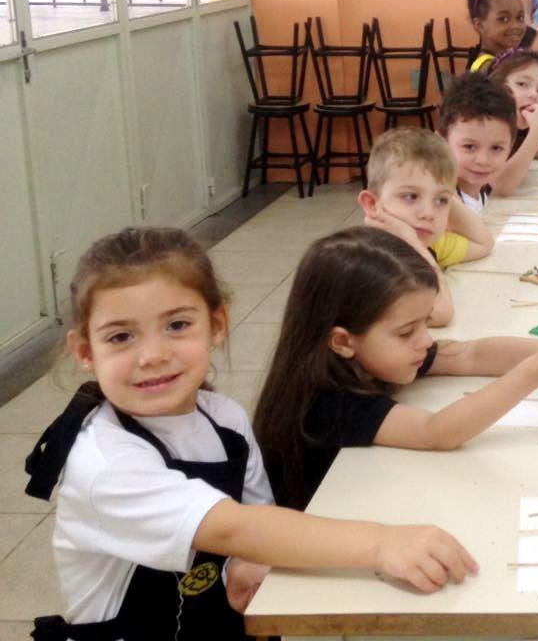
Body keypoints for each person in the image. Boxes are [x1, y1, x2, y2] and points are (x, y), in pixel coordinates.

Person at [25, 228, 477, 639]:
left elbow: (257, 524)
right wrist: (381, 543)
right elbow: (231, 528)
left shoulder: (224, 418)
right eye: (121, 337)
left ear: (216, 325)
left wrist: (245, 565)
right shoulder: (103, 463)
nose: (152, 355)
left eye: (177, 325)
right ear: (86, 350)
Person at [254, 227, 538, 511]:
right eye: (406, 332)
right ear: (343, 341)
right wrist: (534, 373)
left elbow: (471, 354)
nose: (427, 342)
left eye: (425, 324)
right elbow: (437, 432)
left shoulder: (377, 354)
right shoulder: (327, 403)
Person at [357, 128, 494, 327]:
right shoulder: (373, 261)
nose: (428, 213)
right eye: (411, 196)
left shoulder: (432, 244)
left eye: (441, 201)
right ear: (371, 204)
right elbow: (440, 311)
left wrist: (444, 189)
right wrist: (414, 243)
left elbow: (484, 243)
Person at [488, 48, 538, 187]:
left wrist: (535, 151)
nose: (533, 94)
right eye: (522, 84)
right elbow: (501, 185)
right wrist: (536, 133)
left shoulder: (512, 131)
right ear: (496, 86)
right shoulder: (485, 125)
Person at [438, 73, 517, 213]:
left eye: (496, 148)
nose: (483, 160)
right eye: (469, 147)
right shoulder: (443, 205)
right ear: (440, 143)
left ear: (511, 146)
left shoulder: (481, 191)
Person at [463, 0, 534, 72]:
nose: (516, 26)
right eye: (504, 19)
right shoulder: (487, 67)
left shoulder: (508, 60)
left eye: (520, 18)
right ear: (480, 25)